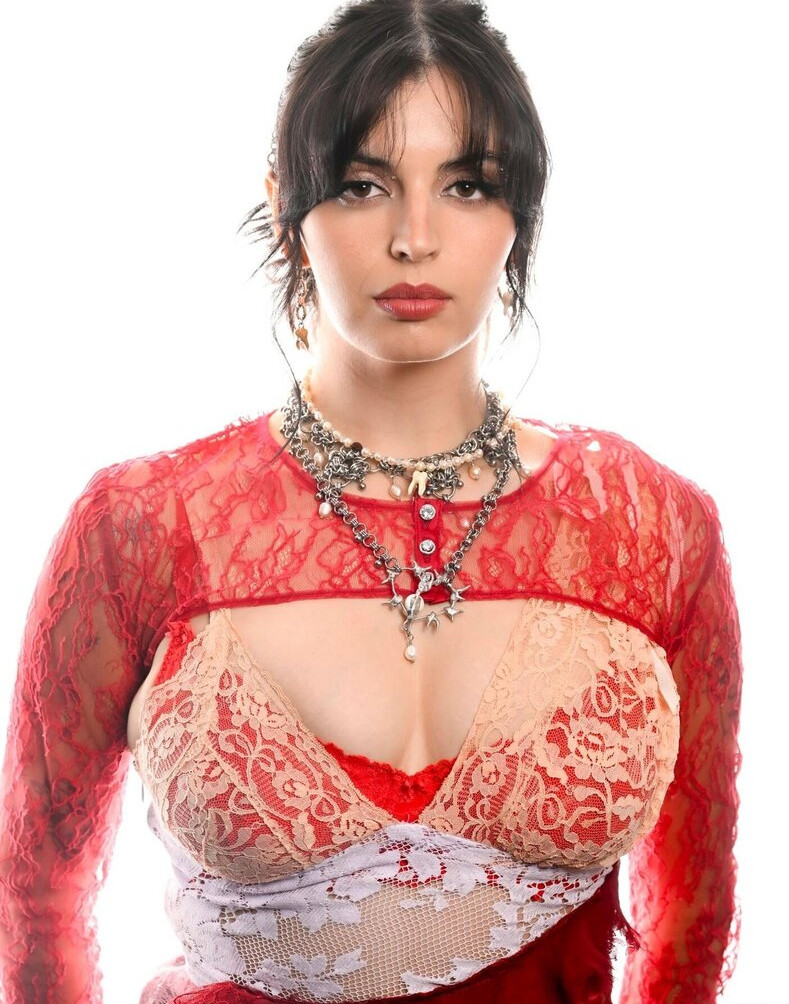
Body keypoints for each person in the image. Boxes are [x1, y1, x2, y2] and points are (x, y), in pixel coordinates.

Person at [0, 1, 743, 1002]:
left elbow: (691, 918)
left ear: (521, 208)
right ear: (284, 200)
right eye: (362, 185)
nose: (414, 238)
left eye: (466, 186)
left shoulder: (652, 529)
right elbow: (37, 905)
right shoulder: (140, 529)